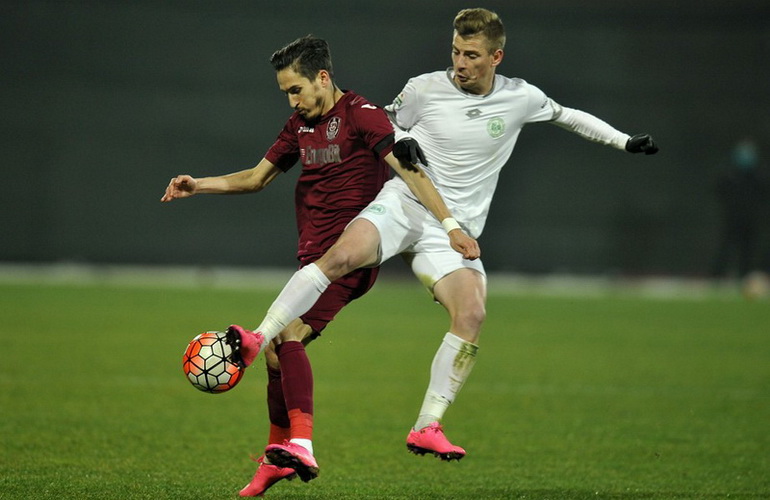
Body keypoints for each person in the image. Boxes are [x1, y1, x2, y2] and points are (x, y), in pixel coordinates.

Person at [227, 7, 658, 469]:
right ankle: (258, 337)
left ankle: (427, 424)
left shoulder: (521, 98)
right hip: (405, 204)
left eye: (471, 55)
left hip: (453, 231)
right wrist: (401, 139)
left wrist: (623, 141)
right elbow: (383, 121)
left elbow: (568, 116)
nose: (460, 63)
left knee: (471, 313)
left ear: (496, 57)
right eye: (455, 51)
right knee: (341, 256)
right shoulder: (423, 88)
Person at [161, 35, 478, 497]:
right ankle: (276, 456)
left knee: (286, 336)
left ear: (323, 78)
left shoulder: (361, 114)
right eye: (286, 92)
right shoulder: (299, 125)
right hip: (313, 258)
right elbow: (256, 177)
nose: (292, 100)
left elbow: (410, 171)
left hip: (349, 257)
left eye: (296, 89)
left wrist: (450, 225)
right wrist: (199, 185)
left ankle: (301, 445)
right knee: (276, 354)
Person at [711, 138, 768, 280]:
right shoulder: (729, 175)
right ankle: (717, 276)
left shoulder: (759, 177)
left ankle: (744, 276)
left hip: (751, 220)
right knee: (726, 248)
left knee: (748, 249)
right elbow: (719, 191)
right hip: (732, 219)